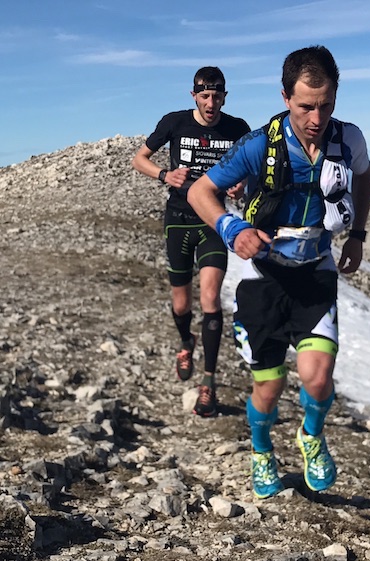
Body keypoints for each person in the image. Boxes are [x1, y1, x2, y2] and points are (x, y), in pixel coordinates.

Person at [188, 45, 370, 497]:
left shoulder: (349, 140)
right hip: (262, 279)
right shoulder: (257, 146)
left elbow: (364, 177)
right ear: (286, 96)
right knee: (268, 387)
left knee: (318, 376)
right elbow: (200, 192)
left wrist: (358, 234)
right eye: (306, 105)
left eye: (326, 104)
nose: (317, 117)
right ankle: (261, 451)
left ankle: (310, 436)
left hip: (314, 270)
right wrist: (233, 229)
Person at [132, 67, 251, 417]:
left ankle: (208, 383)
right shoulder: (175, 122)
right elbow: (138, 159)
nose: (211, 103)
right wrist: (165, 174)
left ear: (225, 96)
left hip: (214, 221)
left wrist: (241, 184)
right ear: (194, 96)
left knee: (211, 297)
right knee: (181, 304)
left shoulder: (238, 129)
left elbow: (251, 168)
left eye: (217, 96)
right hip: (179, 221)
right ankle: (187, 342)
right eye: (205, 96)